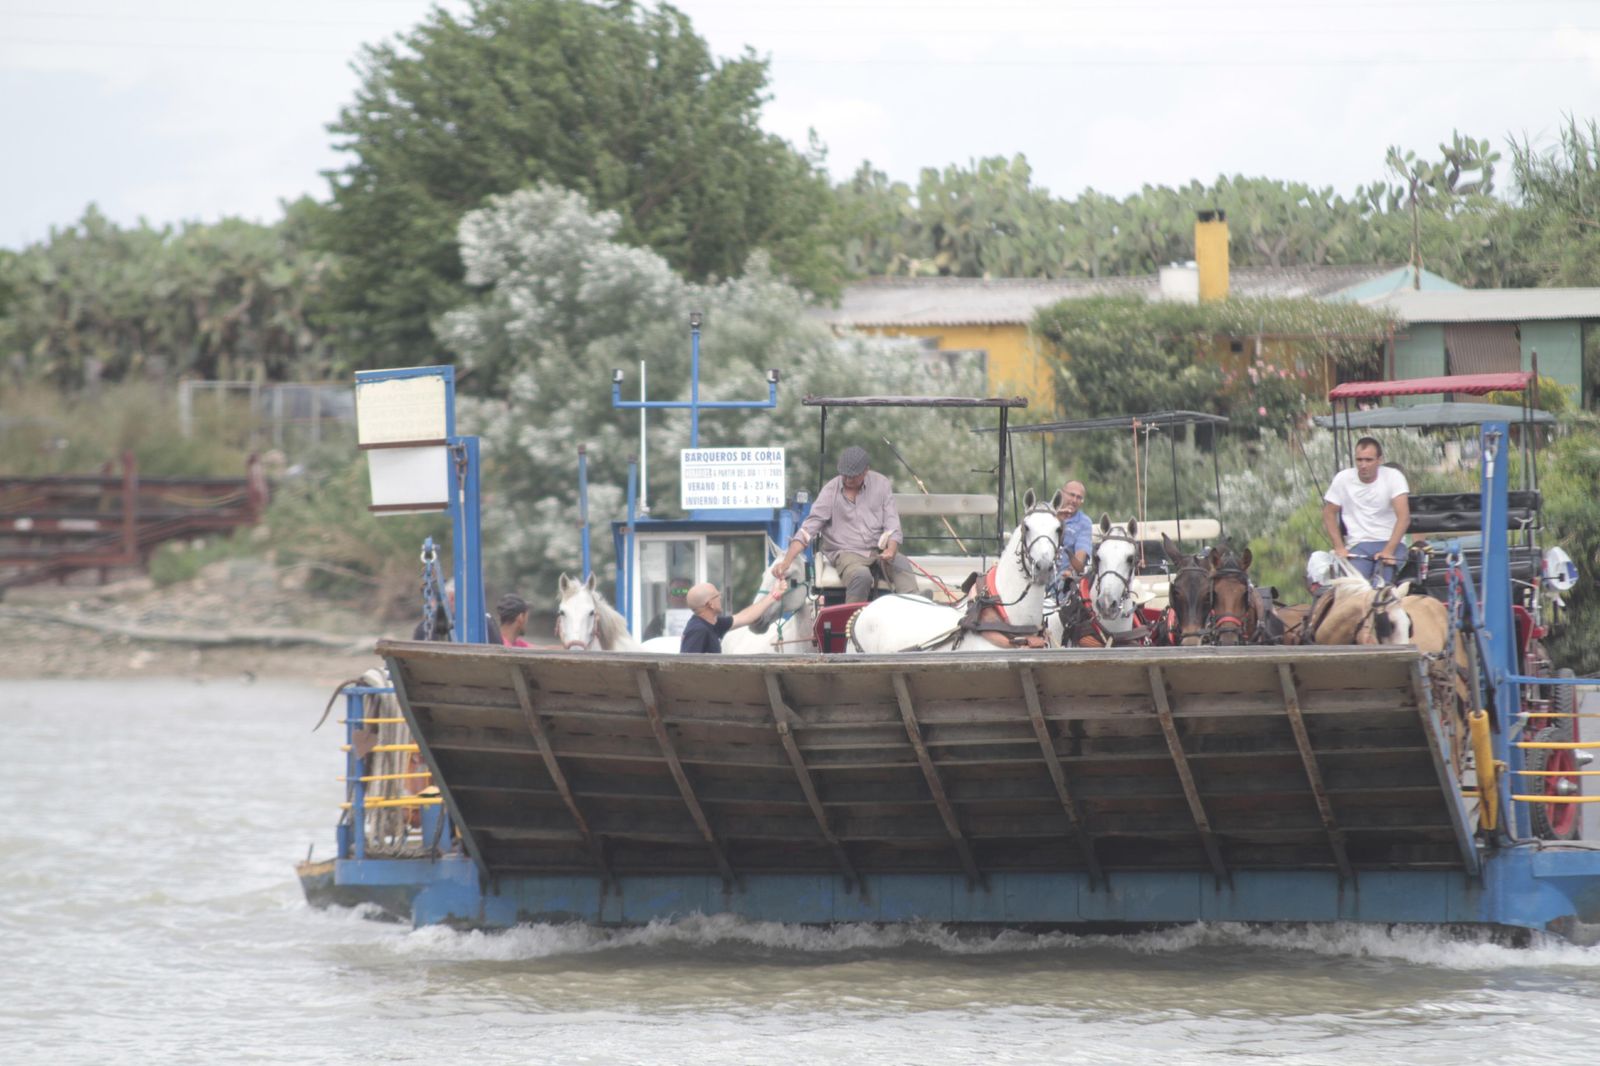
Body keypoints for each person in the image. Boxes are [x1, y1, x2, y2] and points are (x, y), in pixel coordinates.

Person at [771, 445, 918, 602]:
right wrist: (787, 561)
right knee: (861, 576)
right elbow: (807, 531)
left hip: (878, 550)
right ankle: (852, 619)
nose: (848, 480)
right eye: (845, 475)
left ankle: (917, 606)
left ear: (866, 471)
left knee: (901, 563)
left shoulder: (881, 484)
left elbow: (892, 523)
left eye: (853, 476)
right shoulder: (830, 491)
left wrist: (891, 548)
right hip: (846, 552)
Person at [1322, 436, 1410, 585]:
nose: (1363, 465)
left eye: (1368, 460)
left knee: (1380, 585)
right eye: (1359, 460)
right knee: (1356, 587)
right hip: (1358, 545)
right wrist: (1339, 547)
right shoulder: (1342, 478)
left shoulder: (1393, 477)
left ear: (1379, 460)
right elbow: (1329, 513)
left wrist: (1388, 551)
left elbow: (1404, 517)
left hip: (1390, 542)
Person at [679, 578, 788, 654]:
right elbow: (686, 669)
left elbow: (745, 616)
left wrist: (774, 594)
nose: (721, 597)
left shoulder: (712, 623)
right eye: (717, 595)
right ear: (710, 604)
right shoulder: (698, 630)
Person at [1054, 479, 1092, 583]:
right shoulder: (1045, 511)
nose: (1074, 500)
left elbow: (1080, 561)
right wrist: (1056, 518)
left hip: (1062, 581)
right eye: (1071, 495)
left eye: (1079, 497)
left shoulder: (1084, 523)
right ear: (1061, 493)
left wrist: (1071, 571)